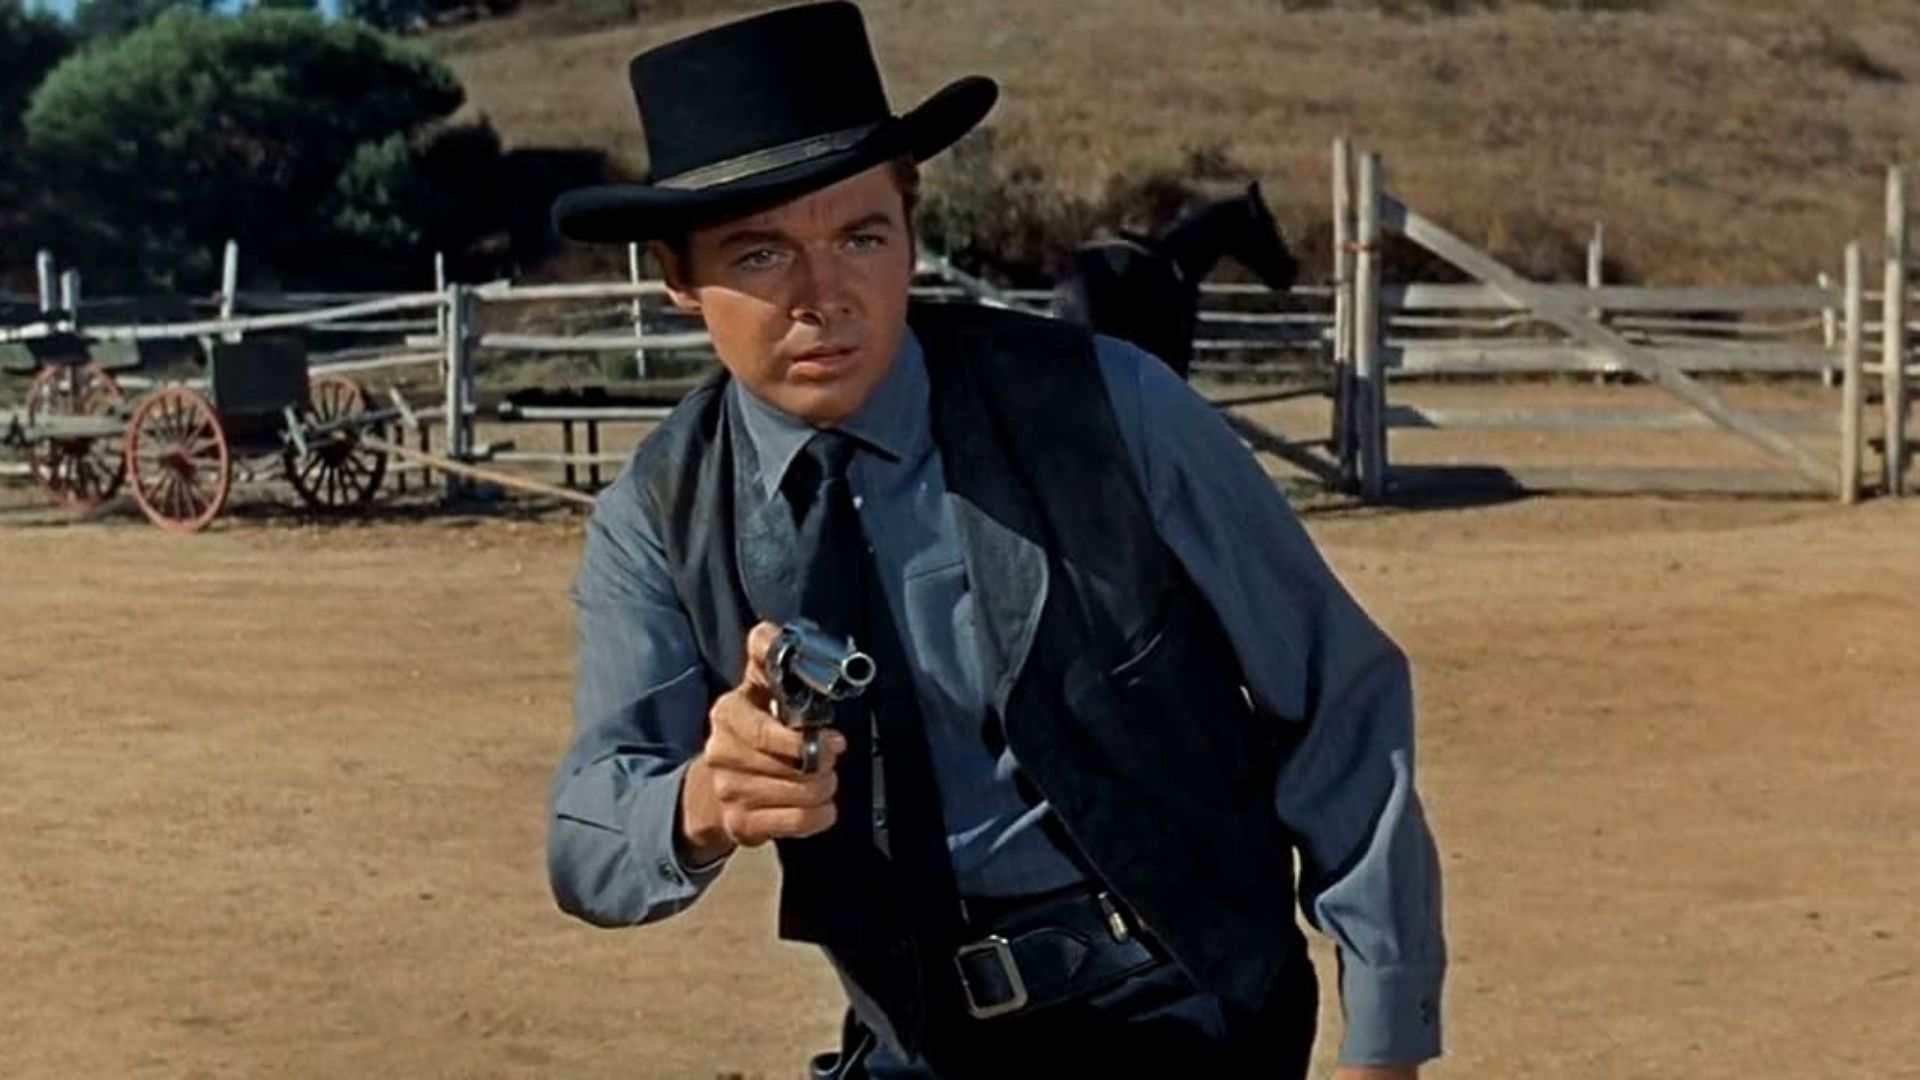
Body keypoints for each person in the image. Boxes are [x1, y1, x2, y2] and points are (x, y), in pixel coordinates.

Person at [545, 3, 1446, 1077]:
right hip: (917, 1038)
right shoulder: (658, 513)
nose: (824, 299)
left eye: (861, 238)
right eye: (762, 253)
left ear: (911, 225)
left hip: (1185, 1006)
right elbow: (588, 840)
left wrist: (1384, 1042)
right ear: (677, 276)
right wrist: (703, 802)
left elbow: (1339, 697)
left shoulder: (1111, 408)